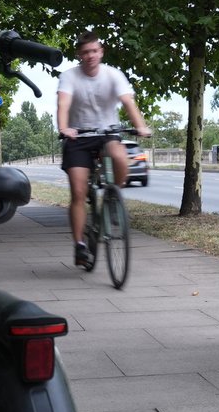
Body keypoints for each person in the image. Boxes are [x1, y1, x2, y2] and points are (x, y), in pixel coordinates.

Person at [57, 31, 151, 268]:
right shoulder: (69, 77)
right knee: (78, 192)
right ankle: (79, 245)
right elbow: (63, 103)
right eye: (85, 52)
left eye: (94, 51)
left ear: (101, 52)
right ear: (80, 54)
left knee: (120, 155)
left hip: (107, 133)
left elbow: (128, 102)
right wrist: (64, 127)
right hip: (78, 136)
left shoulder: (113, 75)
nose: (90, 55)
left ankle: (112, 197)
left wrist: (140, 126)